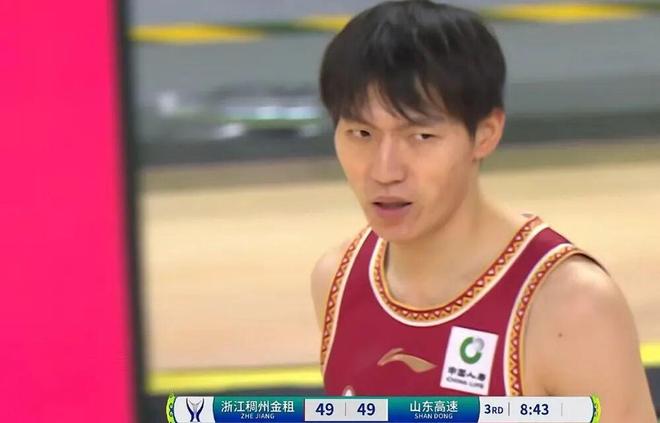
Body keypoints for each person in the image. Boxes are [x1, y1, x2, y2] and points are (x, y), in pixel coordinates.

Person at [309, 1, 656, 420]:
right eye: (361, 133)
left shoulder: (570, 307)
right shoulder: (337, 280)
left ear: (485, 134)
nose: (385, 171)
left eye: (420, 136)